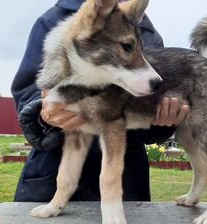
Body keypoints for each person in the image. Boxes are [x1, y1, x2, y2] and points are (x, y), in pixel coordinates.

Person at [11, 0, 189, 202]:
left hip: (126, 183)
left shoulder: (147, 33)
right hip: (52, 172)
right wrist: (44, 111)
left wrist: (164, 122)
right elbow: (26, 88)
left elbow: (149, 107)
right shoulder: (54, 20)